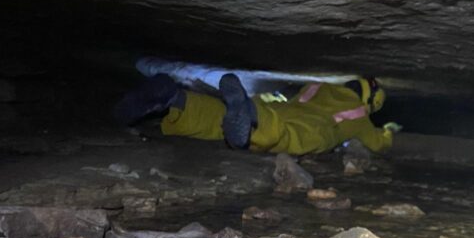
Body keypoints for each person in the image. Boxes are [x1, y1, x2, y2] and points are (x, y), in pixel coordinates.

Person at [114, 73, 399, 155]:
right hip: (314, 126)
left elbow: (294, 101)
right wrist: (387, 133)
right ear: (371, 100)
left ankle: (176, 98)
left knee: (221, 119)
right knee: (289, 136)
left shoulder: (319, 86)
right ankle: (250, 122)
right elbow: (376, 142)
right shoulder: (360, 114)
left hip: (280, 108)